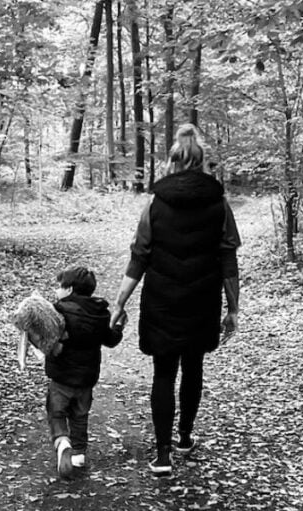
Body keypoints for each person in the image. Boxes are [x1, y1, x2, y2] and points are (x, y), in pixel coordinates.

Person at [111, 123, 241, 477]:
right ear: (201, 163)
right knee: (193, 366)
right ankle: (185, 437)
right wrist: (233, 309)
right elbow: (228, 259)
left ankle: (163, 455)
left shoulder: (155, 204)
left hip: (162, 300)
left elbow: (139, 255)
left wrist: (121, 301)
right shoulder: (219, 204)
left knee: (164, 373)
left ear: (172, 162)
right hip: (202, 299)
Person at [45, 266, 126, 480]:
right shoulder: (101, 314)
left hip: (61, 377)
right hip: (86, 379)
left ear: (69, 289)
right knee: (80, 416)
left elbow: (45, 332)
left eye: (59, 286)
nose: (57, 290)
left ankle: (62, 441)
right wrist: (118, 327)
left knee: (56, 412)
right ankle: (79, 454)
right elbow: (111, 340)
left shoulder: (58, 311)